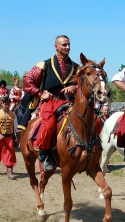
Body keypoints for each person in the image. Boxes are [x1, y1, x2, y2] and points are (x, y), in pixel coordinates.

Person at [21, 35, 79, 171]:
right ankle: (45, 154)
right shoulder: (44, 64)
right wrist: (41, 94)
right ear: (56, 47)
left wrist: (73, 88)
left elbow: (82, 84)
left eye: (69, 44)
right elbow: (27, 81)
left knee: (90, 120)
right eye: (64, 45)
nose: (68, 47)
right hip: (50, 103)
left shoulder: (76, 67)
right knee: (49, 125)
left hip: (70, 102)